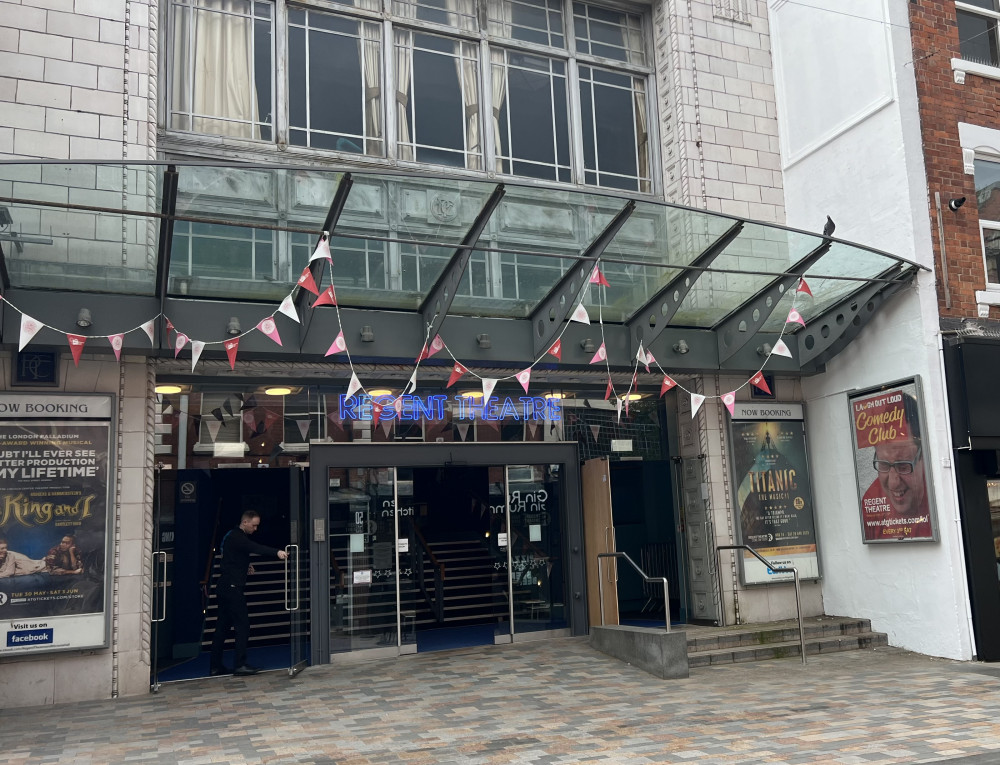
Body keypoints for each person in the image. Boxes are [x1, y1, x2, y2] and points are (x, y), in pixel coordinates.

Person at [209, 511, 288, 677]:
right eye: (253, 525)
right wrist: (277, 552)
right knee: (242, 625)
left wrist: (245, 567)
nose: (256, 528)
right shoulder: (238, 537)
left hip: (224, 586)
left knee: (222, 627)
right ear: (244, 522)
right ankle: (240, 664)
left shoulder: (231, 536)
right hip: (232, 587)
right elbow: (255, 548)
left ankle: (215, 666)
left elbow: (233, 557)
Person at [861, 394, 932, 540]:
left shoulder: (940, 496)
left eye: (903, 466)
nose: (893, 482)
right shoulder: (871, 500)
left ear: (923, 456)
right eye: (884, 464)